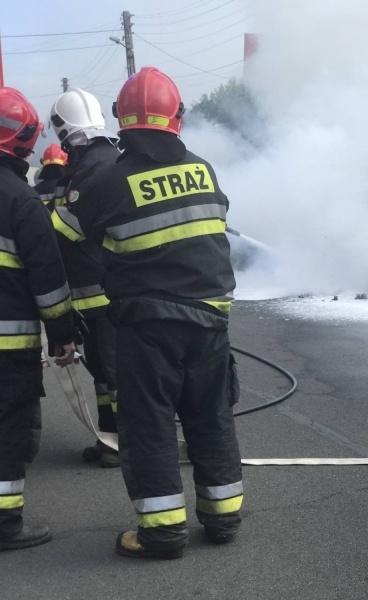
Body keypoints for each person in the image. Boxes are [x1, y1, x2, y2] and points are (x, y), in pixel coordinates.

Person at [70, 67, 243, 559]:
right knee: (211, 419)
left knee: (149, 426)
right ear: (178, 119)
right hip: (211, 322)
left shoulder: (110, 179)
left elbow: (65, 234)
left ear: (121, 122)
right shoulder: (203, 169)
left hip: (147, 327)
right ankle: (223, 519)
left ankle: (163, 533)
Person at [0, 86, 76, 551]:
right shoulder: (19, 201)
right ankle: (5, 526)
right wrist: (63, 334)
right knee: (8, 431)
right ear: (24, 141)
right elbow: (48, 281)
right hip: (7, 350)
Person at [49, 88, 121, 468]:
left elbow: (74, 226)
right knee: (103, 370)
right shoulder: (94, 158)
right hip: (93, 290)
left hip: (102, 290)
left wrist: (37, 225)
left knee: (112, 371)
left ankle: (121, 441)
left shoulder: (95, 164)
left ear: (64, 128)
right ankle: (110, 437)